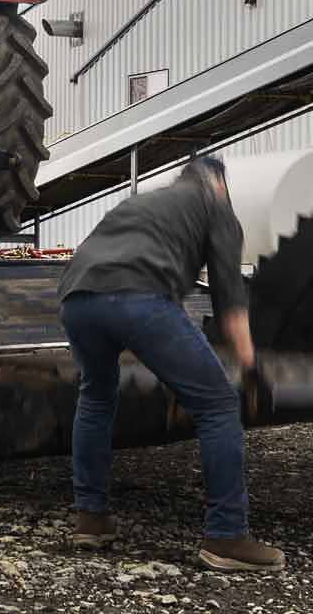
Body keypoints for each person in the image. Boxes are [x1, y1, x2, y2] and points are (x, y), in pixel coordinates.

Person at [57, 156, 283, 572]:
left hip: (76, 297)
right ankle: (226, 536)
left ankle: (90, 518)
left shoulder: (142, 202)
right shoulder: (216, 207)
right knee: (217, 406)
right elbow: (230, 299)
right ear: (218, 184)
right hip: (139, 297)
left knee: (96, 397)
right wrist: (251, 368)